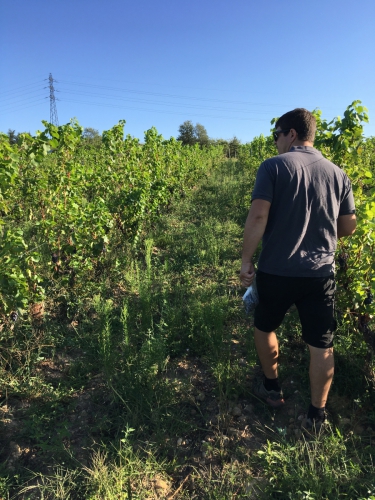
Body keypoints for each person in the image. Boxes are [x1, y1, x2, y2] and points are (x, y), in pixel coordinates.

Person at [240, 108, 356, 429]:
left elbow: (258, 217)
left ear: (291, 133)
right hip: (320, 275)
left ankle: (272, 389)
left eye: (276, 134)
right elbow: (348, 226)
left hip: (277, 270)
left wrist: (246, 260)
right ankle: (317, 415)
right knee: (321, 343)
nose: (275, 141)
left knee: (265, 327)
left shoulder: (273, 168)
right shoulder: (338, 173)